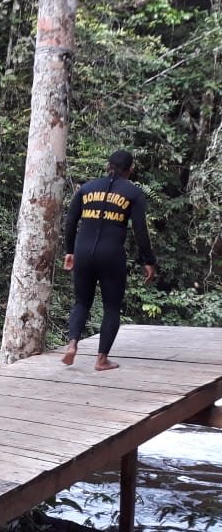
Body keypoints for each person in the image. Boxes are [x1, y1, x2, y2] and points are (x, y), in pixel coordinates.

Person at [61, 149, 156, 371]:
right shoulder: (133, 193)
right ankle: (101, 359)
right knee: (111, 307)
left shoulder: (86, 189)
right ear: (130, 170)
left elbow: (70, 222)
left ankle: (72, 344)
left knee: (82, 302)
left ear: (107, 165)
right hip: (112, 255)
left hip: (83, 252)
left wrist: (69, 251)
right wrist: (148, 261)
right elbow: (140, 231)